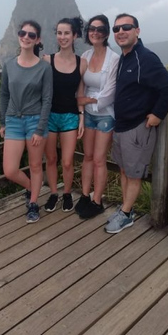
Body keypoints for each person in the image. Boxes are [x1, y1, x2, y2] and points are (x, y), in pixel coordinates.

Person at [105, 13, 168, 234]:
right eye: (116, 29)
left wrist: (157, 114)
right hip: (122, 126)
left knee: (134, 173)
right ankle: (126, 209)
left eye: (126, 27)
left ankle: (126, 214)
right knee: (124, 171)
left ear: (137, 30)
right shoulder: (125, 58)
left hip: (138, 128)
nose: (120, 32)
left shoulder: (145, 58)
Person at [0, 20, 53, 223]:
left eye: (32, 35)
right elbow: (4, 94)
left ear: (37, 40)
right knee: (10, 170)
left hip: (35, 122)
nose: (26, 37)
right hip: (13, 120)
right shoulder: (9, 65)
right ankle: (31, 188)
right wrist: (3, 122)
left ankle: (33, 203)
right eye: (23, 33)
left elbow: (47, 99)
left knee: (35, 165)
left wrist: (40, 129)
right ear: (18, 35)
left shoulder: (44, 68)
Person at [74, 14, 120, 219]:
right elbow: (80, 87)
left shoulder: (114, 59)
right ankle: (85, 195)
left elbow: (109, 94)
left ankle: (97, 200)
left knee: (100, 159)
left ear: (106, 33)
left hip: (105, 116)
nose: (95, 32)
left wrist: (87, 101)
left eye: (100, 30)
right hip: (89, 117)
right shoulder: (85, 56)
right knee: (88, 157)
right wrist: (82, 113)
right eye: (92, 29)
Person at [42, 16, 86, 213]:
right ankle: (53, 193)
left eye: (66, 33)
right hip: (49, 115)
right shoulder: (47, 60)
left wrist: (82, 117)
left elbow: (81, 93)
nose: (62, 37)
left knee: (67, 161)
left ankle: (67, 193)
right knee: (51, 159)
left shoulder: (81, 63)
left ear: (75, 35)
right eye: (59, 33)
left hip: (70, 116)